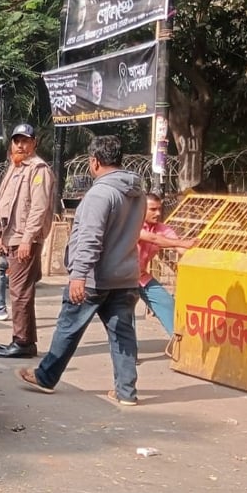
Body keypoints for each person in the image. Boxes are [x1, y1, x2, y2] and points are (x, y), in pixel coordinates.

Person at [18, 135, 145, 405]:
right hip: (125, 276)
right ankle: (126, 392)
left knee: (68, 327)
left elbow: (90, 238)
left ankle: (46, 377)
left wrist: (78, 274)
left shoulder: (101, 193)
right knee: (123, 335)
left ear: (95, 161)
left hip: (95, 278)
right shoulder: (136, 193)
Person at [0, 123, 56, 358]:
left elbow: (38, 208)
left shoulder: (38, 170)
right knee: (19, 291)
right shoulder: (14, 167)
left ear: (34, 143)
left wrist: (28, 239)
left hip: (24, 239)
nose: (20, 145)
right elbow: (3, 204)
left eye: (25, 141)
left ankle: (23, 342)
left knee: (20, 292)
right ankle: (24, 340)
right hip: (11, 238)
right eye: (17, 141)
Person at [138, 193, 197, 344]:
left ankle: (181, 345)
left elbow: (179, 248)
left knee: (167, 303)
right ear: (141, 209)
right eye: (153, 209)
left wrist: (199, 254)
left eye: (159, 209)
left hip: (141, 277)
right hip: (121, 278)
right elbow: (154, 239)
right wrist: (184, 243)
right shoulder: (132, 225)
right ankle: (127, 353)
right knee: (124, 316)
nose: (158, 213)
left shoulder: (162, 229)